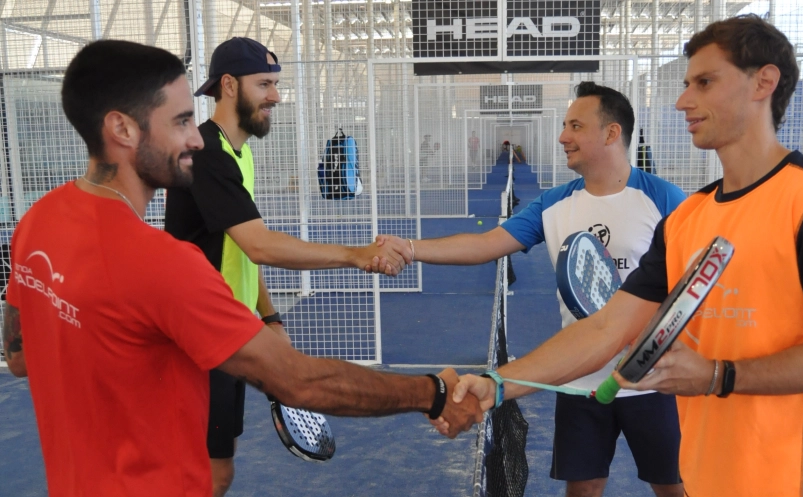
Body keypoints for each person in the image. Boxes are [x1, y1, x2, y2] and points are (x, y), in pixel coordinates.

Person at [1, 39, 480, 497]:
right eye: (182, 120)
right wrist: (433, 392)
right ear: (122, 129)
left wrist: (262, 319)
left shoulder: (36, 223)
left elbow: (19, 357)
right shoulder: (164, 264)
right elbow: (300, 381)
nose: (195, 136)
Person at [441, 14, 803, 497]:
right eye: (687, 83)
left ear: (764, 82)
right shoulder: (689, 218)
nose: (682, 101)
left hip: (792, 480)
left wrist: (718, 375)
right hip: (705, 474)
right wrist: (497, 384)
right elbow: (608, 327)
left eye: (704, 82)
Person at [375, 83, 686, 497]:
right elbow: (486, 245)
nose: (562, 137)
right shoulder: (552, 204)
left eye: (575, 126)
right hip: (575, 379)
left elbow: (693, 288)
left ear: (612, 134)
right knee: (585, 489)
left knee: (672, 487)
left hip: (654, 382)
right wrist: (411, 249)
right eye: (563, 126)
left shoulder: (666, 200)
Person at [163, 37, 411, 496]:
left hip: (226, 332)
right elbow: (259, 245)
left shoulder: (239, 152)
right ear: (230, 85)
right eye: (265, 84)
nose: (276, 96)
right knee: (197, 473)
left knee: (216, 471)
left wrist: (269, 316)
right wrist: (355, 255)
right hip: (193, 341)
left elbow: (238, 248)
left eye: (276, 84)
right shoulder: (208, 154)